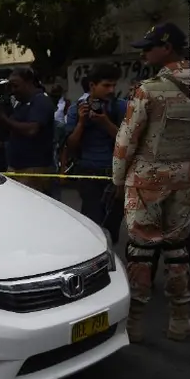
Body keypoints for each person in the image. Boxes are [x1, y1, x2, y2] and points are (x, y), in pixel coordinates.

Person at [113, 23, 190, 343]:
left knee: (141, 250)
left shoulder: (149, 89)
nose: (143, 52)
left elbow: (126, 141)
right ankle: (180, 319)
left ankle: (134, 324)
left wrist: (118, 180)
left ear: (169, 48)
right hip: (186, 178)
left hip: (146, 180)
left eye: (149, 47)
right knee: (177, 250)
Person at [64, 63, 127, 244]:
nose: (111, 90)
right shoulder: (76, 109)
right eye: (106, 85)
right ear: (92, 86)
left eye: (114, 85)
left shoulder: (121, 107)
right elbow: (71, 145)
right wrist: (82, 124)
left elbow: (127, 142)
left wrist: (105, 122)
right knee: (93, 226)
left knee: (112, 226)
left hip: (115, 174)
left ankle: (112, 263)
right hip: (89, 174)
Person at [0, 67, 56, 194]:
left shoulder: (40, 101)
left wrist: (3, 119)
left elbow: (31, 130)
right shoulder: (21, 104)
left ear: (29, 82)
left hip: (34, 168)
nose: (13, 91)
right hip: (16, 167)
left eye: (16, 86)